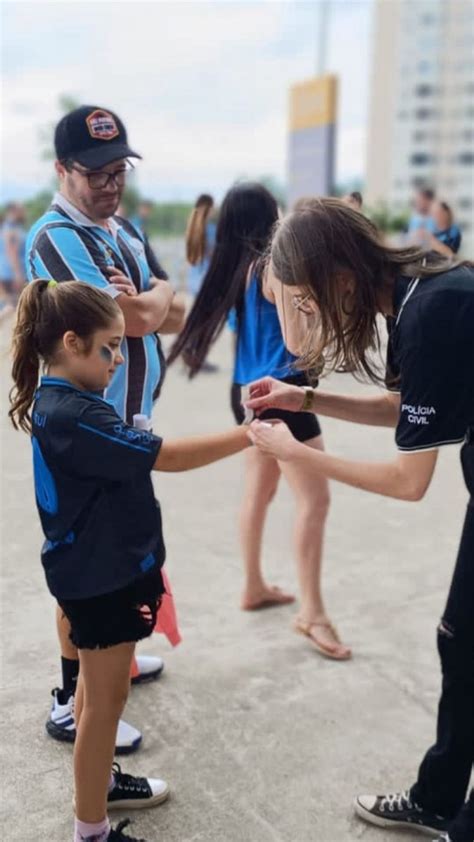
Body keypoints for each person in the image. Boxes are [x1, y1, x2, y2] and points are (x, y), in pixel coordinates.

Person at [245, 197, 474, 842]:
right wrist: (304, 398)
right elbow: (407, 406)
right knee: (461, 642)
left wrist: (296, 452)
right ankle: (438, 801)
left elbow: (409, 483)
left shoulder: (432, 308)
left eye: (308, 302)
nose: (309, 315)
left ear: (339, 276)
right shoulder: (415, 289)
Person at [9, 279, 250, 842]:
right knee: (105, 703)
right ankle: (91, 830)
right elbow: (163, 457)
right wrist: (248, 436)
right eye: (109, 347)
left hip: (91, 569)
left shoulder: (60, 399)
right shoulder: (76, 415)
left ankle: (98, 787)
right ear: (70, 342)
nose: (118, 359)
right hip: (101, 578)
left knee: (99, 693)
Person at [26, 104, 186, 753]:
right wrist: (149, 302)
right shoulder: (56, 237)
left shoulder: (123, 227)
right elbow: (138, 319)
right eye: (96, 172)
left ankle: (110, 660)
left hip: (125, 422)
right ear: (63, 170)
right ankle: (73, 700)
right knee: (85, 569)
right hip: (89, 433)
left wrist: (151, 297)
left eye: (118, 168)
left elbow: (166, 308)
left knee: (119, 560)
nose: (111, 183)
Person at [169, 183, 351, 660]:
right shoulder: (273, 269)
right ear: (268, 217)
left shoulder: (231, 270)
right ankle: (312, 612)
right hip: (282, 396)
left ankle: (252, 585)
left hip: (245, 393)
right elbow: (298, 342)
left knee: (260, 491)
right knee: (314, 499)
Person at [185, 193, 216, 298]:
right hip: (208, 282)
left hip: (193, 283)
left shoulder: (191, 229)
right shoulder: (211, 230)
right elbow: (213, 255)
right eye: (212, 207)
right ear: (208, 208)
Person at [2, 201, 27, 305]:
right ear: (13, 211)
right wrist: (18, 275)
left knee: (11, 306)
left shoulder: (11, 227)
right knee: (16, 306)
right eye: (21, 210)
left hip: (8, 273)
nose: (24, 213)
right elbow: (12, 253)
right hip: (12, 275)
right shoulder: (10, 229)